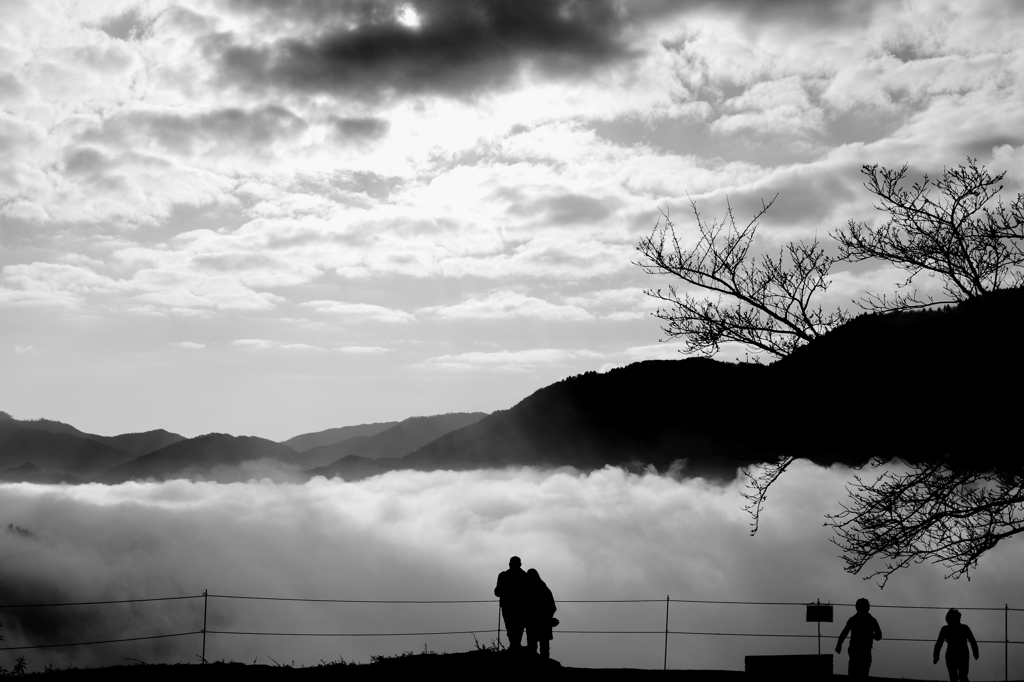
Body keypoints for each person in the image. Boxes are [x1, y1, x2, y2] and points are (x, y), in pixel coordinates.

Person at [835, 598, 882, 677]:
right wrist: (870, 635)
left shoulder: (853, 620)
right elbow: (879, 636)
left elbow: (844, 633)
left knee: (853, 672)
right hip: (864, 651)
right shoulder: (871, 620)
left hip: (855, 650)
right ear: (868, 607)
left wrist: (839, 644)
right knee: (863, 673)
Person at [934, 609, 979, 682]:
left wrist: (936, 656)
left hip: (956, 655)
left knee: (958, 677)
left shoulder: (946, 629)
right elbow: (972, 641)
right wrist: (975, 652)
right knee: (959, 677)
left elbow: (939, 644)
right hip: (960, 654)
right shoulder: (963, 628)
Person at [494, 556, 528, 650]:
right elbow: (497, 592)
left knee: (512, 627)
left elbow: (497, 592)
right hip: (518, 606)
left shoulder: (504, 575)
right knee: (516, 627)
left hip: (511, 606)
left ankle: (514, 645)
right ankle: (515, 645)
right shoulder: (524, 576)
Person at [524, 568, 557, 659]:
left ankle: (538, 662)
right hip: (541, 621)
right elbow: (552, 607)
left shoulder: (527, 590)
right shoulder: (544, 589)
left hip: (534, 621)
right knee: (541, 645)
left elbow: (552, 607)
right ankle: (543, 662)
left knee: (534, 644)